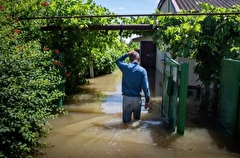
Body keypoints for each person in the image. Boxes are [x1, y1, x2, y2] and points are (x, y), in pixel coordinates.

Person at [116, 51, 150, 124]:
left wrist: (127, 54)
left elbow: (118, 61)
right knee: (136, 122)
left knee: (126, 123)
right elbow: (146, 87)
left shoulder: (125, 67)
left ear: (130, 59)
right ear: (138, 59)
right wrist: (147, 100)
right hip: (137, 99)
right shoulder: (143, 71)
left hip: (127, 98)